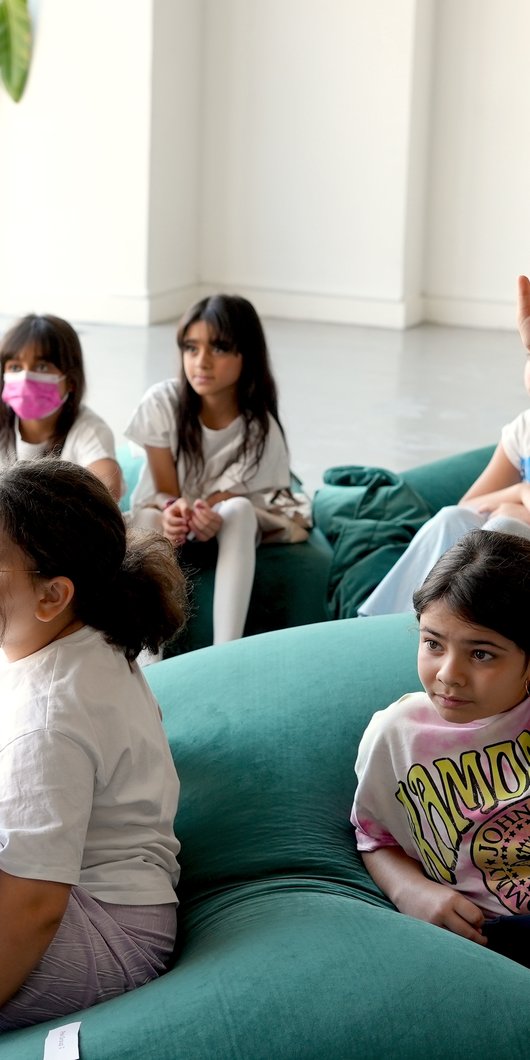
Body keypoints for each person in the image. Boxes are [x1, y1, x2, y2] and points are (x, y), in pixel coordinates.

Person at [0, 459, 187, 1031]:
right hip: (92, 898)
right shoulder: (87, 632)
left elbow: (33, 907)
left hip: (102, 932)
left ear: (53, 594)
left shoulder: (50, 719)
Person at [351, 529, 530, 967]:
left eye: (482, 654)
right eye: (433, 643)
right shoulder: (396, 735)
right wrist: (410, 890)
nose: (449, 674)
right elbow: (374, 837)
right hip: (482, 937)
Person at [125, 293, 309, 645]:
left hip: (223, 521)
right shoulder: (162, 402)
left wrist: (205, 516)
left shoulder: (260, 429)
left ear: (246, 355)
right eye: (191, 348)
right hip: (169, 519)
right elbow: (165, 490)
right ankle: (150, 656)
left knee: (238, 510)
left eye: (219, 348)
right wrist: (171, 511)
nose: (201, 362)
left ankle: (227, 647)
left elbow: (223, 500)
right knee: (148, 520)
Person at [358, 275, 530, 616]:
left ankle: (440, 636)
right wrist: (521, 494)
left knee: (501, 532)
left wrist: (515, 514)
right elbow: (471, 506)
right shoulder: (523, 429)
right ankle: (376, 628)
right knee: (450, 519)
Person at [0, 313, 123, 500]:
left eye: (41, 367)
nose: (26, 377)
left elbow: (107, 492)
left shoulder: (89, 431)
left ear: (71, 381)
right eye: (16, 367)